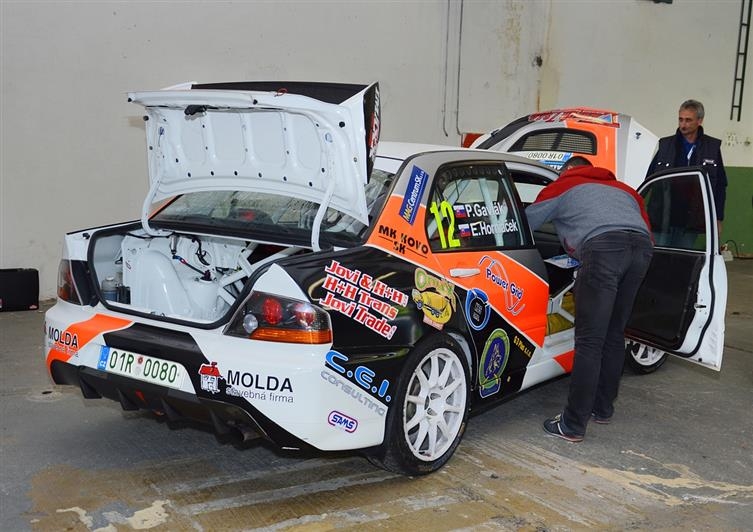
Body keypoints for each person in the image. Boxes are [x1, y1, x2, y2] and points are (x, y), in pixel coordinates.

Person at [526, 156, 654, 442]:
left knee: (589, 341)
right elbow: (646, 229)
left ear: (568, 170)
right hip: (641, 250)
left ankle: (572, 425)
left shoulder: (565, 184)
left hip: (603, 249)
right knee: (614, 334)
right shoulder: (626, 190)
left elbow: (524, 223)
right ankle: (603, 408)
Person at [646, 100, 727, 239]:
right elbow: (648, 179)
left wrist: (718, 218)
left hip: (692, 220)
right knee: (659, 252)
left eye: (688, 120)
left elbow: (720, 185)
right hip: (663, 217)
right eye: (680, 119)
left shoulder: (712, 148)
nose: (683, 124)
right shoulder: (666, 145)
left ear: (700, 121)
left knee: (685, 252)